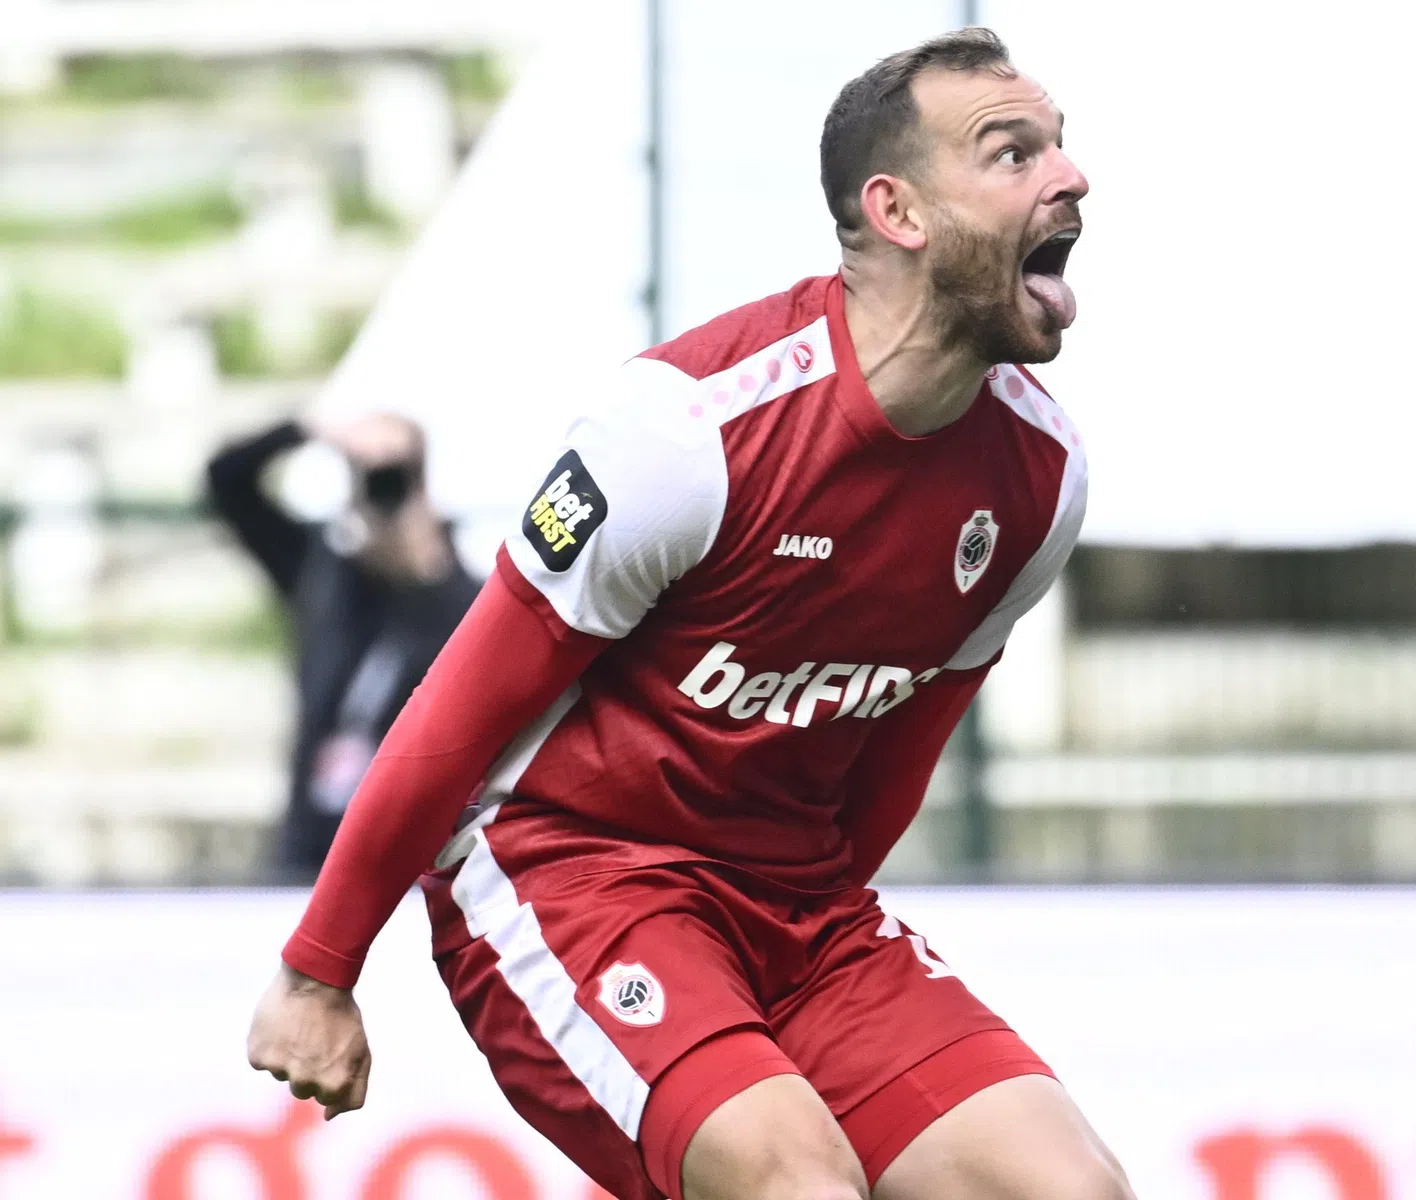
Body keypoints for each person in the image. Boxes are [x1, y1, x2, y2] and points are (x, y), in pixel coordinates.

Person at [247, 28, 1132, 1200]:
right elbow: (457, 709)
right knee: (796, 1184)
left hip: (800, 908)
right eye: (1012, 154)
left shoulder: (1038, 477)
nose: (1068, 176)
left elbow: (891, 765)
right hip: (571, 871)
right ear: (899, 212)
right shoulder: (688, 429)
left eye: (1059, 149)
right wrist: (320, 968)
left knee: (1071, 1191)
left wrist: (785, 992)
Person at [206, 412, 479, 874]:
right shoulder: (323, 578)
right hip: (310, 851)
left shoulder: (461, 603)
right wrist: (309, 429)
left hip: (410, 859)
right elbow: (227, 479)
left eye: (397, 476)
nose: (383, 493)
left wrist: (429, 565)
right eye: (371, 479)